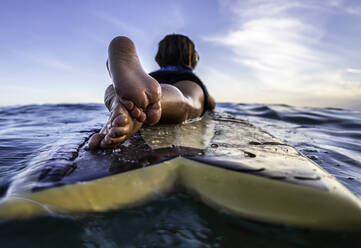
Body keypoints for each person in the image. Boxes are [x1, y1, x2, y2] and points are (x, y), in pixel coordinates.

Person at [89, 34, 215, 149]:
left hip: (153, 79)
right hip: (185, 80)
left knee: (145, 91)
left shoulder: (150, 79)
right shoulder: (190, 78)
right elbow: (210, 104)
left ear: (159, 57)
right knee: (186, 101)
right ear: (193, 57)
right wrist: (208, 101)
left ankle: (121, 98)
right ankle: (156, 101)